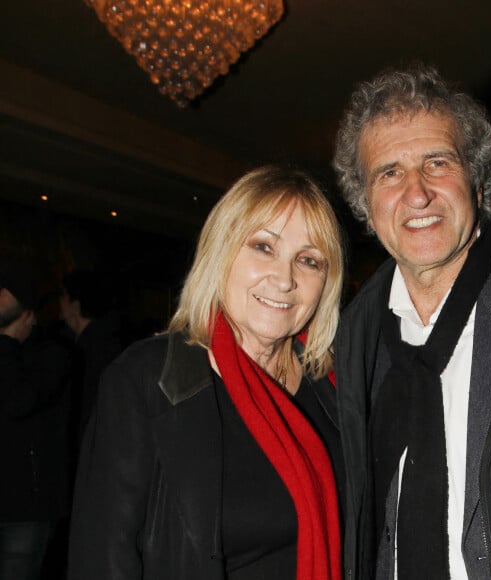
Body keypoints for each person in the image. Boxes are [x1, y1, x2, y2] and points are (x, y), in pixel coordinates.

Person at [332, 63, 491, 580]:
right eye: (389, 172)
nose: (417, 193)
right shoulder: (351, 339)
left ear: (475, 178)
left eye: (437, 162)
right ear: (366, 204)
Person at [67, 165, 345, 580]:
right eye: (264, 247)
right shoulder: (145, 380)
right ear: (221, 252)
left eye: (308, 260)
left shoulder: (334, 388)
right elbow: (102, 561)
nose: (285, 279)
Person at [0, 257, 72, 580]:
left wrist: (4, 342)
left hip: (25, 508)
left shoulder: (51, 355)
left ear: (26, 308)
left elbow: (18, 401)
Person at [60, 269, 124, 444]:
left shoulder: (95, 350)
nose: (60, 304)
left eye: (63, 296)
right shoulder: (93, 344)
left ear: (75, 303)